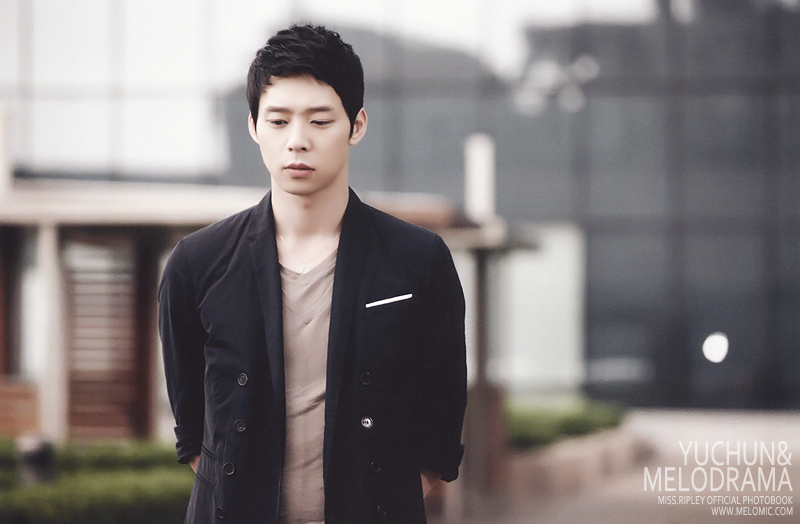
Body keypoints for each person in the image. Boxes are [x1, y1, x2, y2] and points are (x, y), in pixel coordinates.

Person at [158, 24, 467, 524]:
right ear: (254, 126)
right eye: (278, 121)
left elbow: (442, 416)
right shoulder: (197, 263)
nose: (297, 142)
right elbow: (192, 430)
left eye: (320, 121)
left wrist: (388, 496)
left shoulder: (418, 259)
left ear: (356, 126)